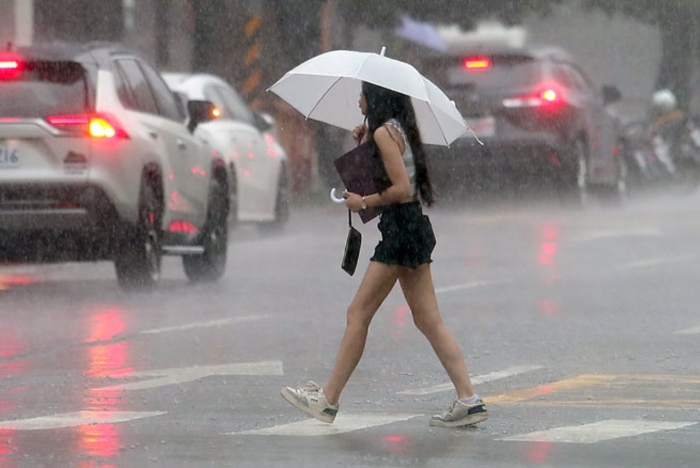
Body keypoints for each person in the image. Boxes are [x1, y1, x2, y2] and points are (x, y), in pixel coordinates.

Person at [280, 81, 488, 428]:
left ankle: (328, 399)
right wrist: (363, 143)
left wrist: (363, 202)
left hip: (401, 232)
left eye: (362, 93)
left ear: (376, 97)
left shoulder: (383, 133)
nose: (358, 99)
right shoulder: (394, 129)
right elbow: (394, 176)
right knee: (428, 321)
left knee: (358, 313)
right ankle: (469, 399)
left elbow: (401, 189)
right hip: (411, 228)